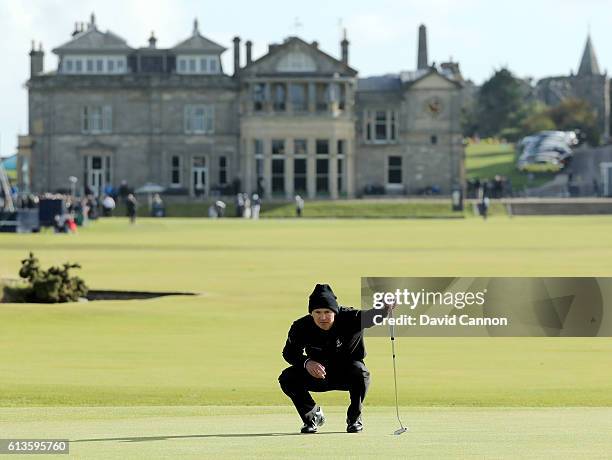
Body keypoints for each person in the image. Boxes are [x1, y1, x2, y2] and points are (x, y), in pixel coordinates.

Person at [279, 284, 394, 434]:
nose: (323, 317)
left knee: (361, 372)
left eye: (327, 312)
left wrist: (385, 308)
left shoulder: (350, 317)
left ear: (335, 311)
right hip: (318, 374)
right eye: (317, 312)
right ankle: (311, 416)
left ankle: (354, 418)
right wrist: (306, 363)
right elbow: (289, 353)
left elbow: (373, 317)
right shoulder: (300, 327)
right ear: (311, 313)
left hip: (347, 373)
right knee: (287, 378)